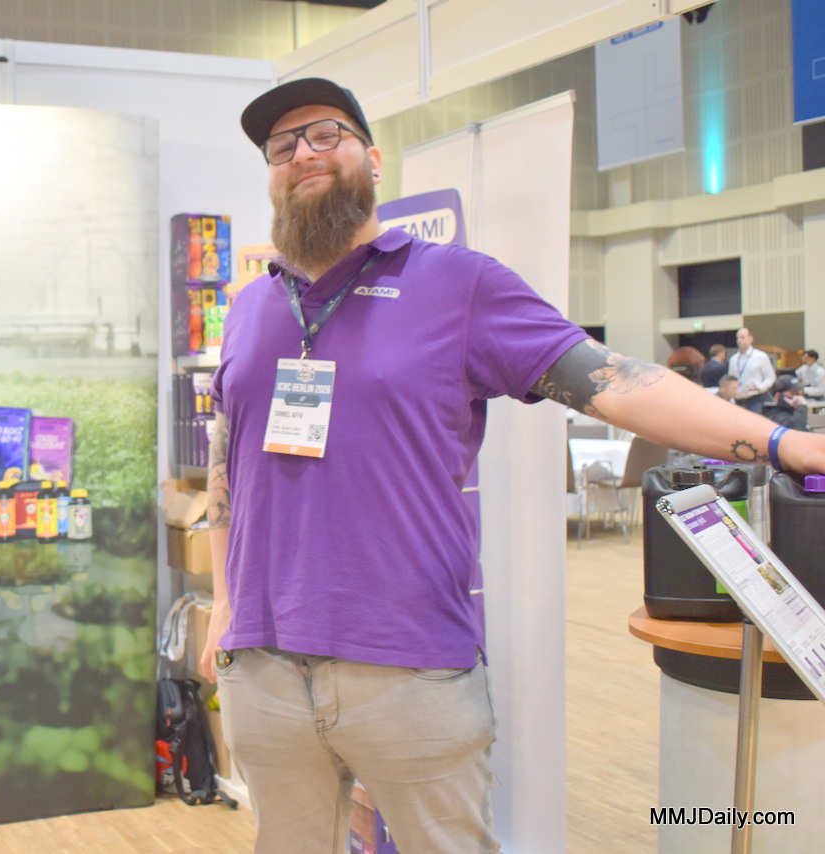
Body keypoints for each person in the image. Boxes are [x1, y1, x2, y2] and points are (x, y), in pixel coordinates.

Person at [198, 77, 825, 854]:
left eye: (325, 134)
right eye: (282, 147)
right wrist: (225, 604)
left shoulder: (457, 284)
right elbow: (227, 456)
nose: (302, 154)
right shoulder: (250, 307)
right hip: (263, 670)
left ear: (374, 159)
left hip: (408, 670)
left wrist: (784, 443)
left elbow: (611, 380)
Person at [728, 327, 777, 412]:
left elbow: (770, 377)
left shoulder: (760, 356)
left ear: (751, 339)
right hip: (738, 399)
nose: (739, 341)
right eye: (737, 338)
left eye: (742, 337)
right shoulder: (733, 359)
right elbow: (730, 379)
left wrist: (760, 388)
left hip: (755, 398)